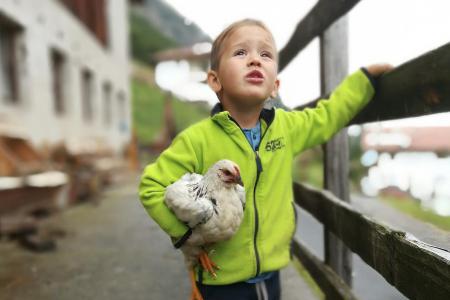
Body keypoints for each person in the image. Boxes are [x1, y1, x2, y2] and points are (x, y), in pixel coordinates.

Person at [139, 19, 392, 300]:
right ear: (215, 80)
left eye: (265, 54)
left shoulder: (287, 128)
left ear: (275, 86)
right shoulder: (196, 140)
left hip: (272, 275)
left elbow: (329, 114)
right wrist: (186, 236)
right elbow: (151, 187)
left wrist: (365, 79)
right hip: (218, 280)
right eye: (240, 53)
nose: (255, 61)